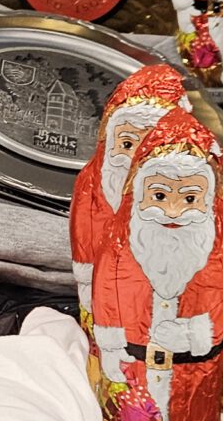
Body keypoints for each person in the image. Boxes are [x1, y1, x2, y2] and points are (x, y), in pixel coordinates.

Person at [90, 108, 223, 421]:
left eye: (189, 199)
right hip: (134, 366)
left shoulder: (218, 249)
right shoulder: (121, 246)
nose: (172, 211)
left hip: (191, 370)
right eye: (159, 196)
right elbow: (106, 297)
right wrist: (111, 349)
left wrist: (195, 333)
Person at [69, 65, 186, 336]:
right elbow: (84, 230)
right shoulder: (94, 181)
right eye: (127, 144)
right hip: (103, 285)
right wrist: (87, 278)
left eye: (149, 145)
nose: (135, 157)